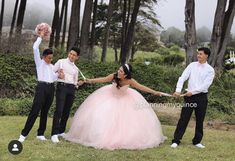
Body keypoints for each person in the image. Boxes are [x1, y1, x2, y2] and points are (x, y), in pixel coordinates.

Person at [64, 64, 166, 150]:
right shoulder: (113, 76)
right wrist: (87, 80)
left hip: (126, 99)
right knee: (101, 115)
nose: (118, 71)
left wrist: (154, 92)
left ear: (125, 74)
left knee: (127, 121)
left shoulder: (130, 81)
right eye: (119, 69)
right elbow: (102, 79)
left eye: (121, 71)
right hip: (109, 96)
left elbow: (141, 87)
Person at [18, 31, 64, 142]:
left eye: (51, 58)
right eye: (49, 58)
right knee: (35, 110)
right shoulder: (39, 63)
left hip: (50, 88)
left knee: (45, 111)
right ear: (43, 57)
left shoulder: (52, 66)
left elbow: (54, 78)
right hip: (41, 88)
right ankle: (23, 135)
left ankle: (40, 133)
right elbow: (35, 48)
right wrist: (41, 37)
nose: (50, 60)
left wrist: (59, 74)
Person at [171, 47, 215, 149]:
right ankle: (176, 140)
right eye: (198, 54)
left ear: (206, 55)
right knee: (183, 119)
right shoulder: (192, 65)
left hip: (201, 98)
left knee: (200, 120)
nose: (198, 55)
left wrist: (193, 92)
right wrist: (178, 90)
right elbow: (182, 78)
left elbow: (205, 85)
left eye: (200, 54)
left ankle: (197, 141)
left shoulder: (210, 70)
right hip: (189, 98)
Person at [51, 47, 82, 143]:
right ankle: (54, 134)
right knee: (59, 110)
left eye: (74, 55)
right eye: (70, 54)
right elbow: (51, 72)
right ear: (68, 53)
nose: (71, 56)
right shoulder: (61, 62)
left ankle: (61, 131)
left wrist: (78, 84)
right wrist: (58, 75)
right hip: (62, 86)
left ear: (77, 57)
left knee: (66, 111)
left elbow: (75, 82)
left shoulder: (76, 69)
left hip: (71, 89)